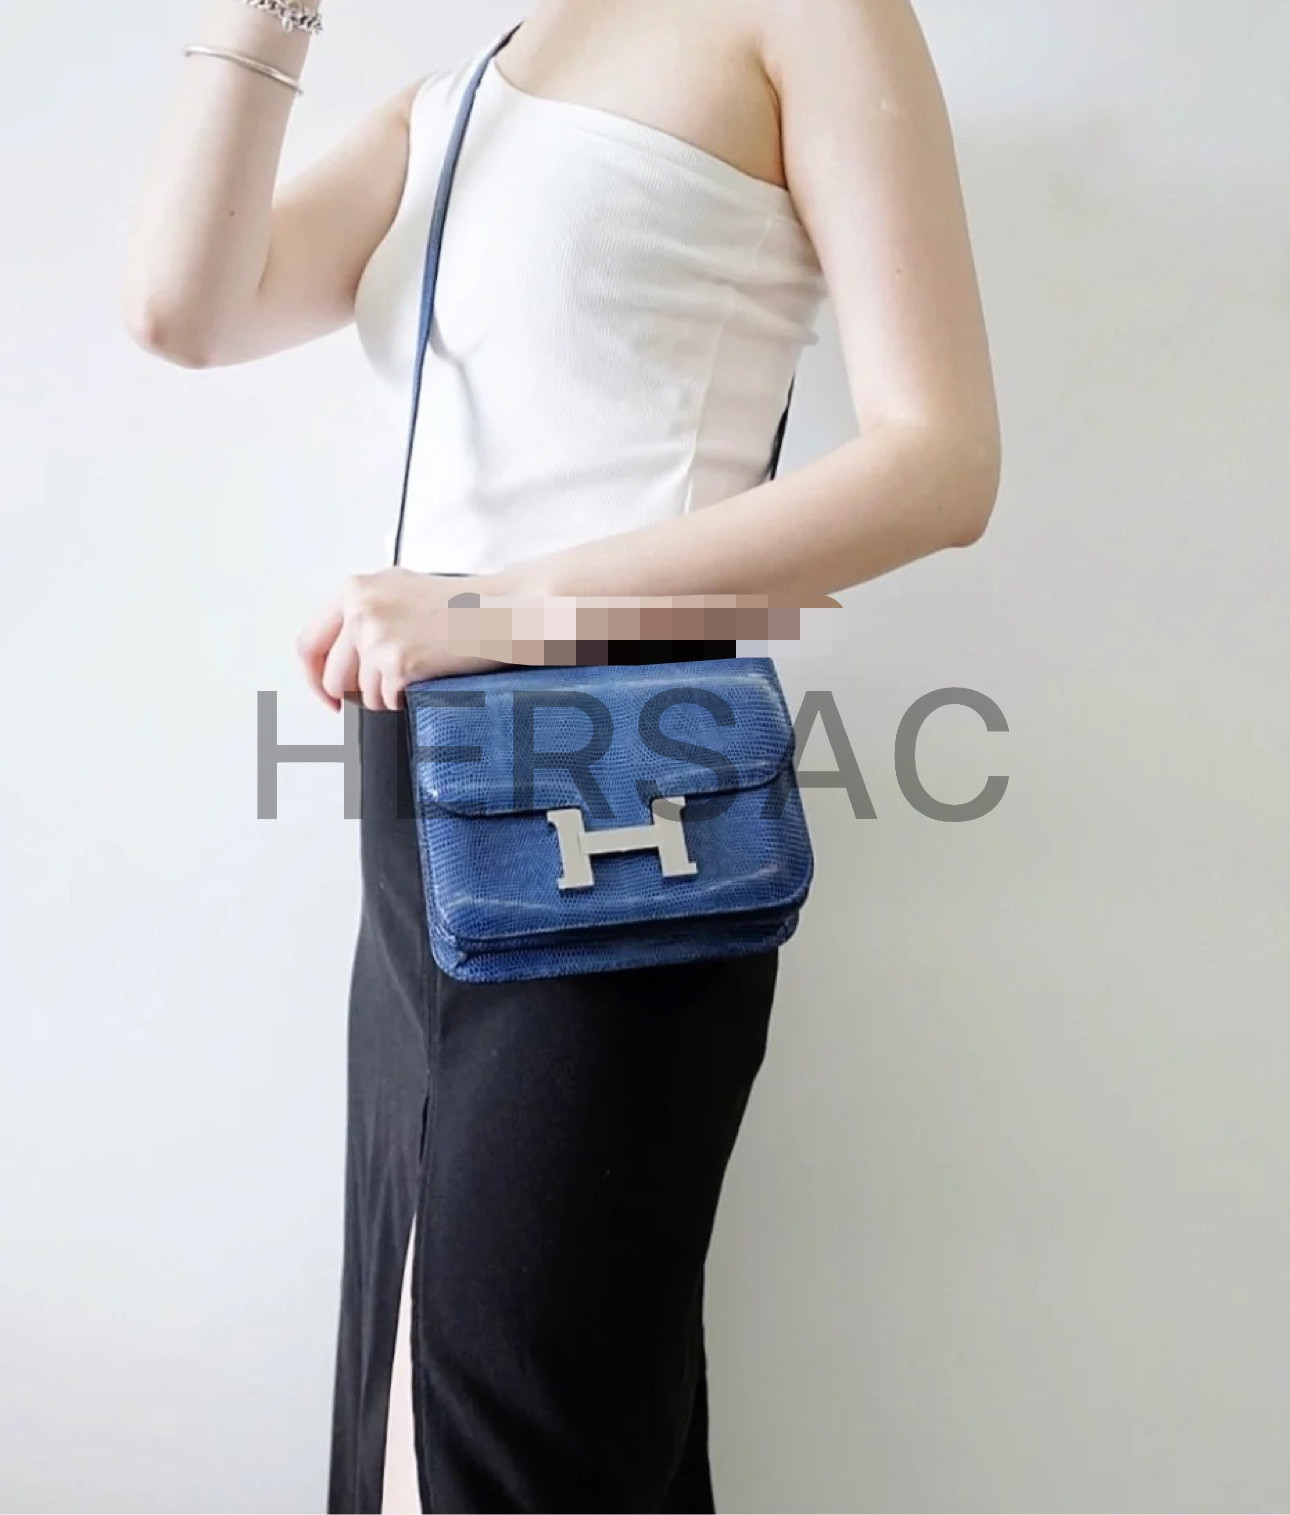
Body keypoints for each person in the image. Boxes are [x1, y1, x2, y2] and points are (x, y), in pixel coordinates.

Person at [121, 1, 1000, 1509]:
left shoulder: (806, 15)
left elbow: (939, 465)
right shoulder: (452, 93)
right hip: (424, 781)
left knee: (518, 1423)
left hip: (618, 776)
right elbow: (185, 311)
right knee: (423, 1411)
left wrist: (490, 610)